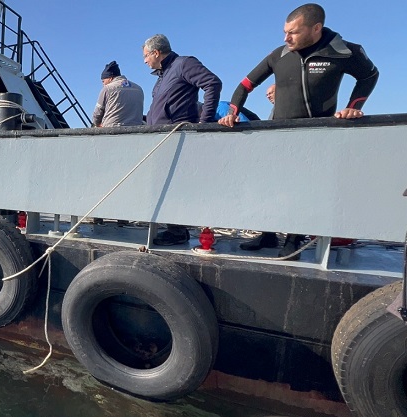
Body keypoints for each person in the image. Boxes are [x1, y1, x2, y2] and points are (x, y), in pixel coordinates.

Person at [218, 3, 378, 259]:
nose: (286, 38)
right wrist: (233, 112)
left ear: (316, 28)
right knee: (269, 185)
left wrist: (353, 107)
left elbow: (369, 75)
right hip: (280, 131)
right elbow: (245, 84)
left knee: (303, 188)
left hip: (317, 133)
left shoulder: (343, 51)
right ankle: (267, 234)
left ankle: (294, 238)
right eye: (284, 31)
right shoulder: (279, 55)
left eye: (293, 32)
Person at [143, 34, 223, 246]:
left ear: (156, 53)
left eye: (145, 56)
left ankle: (177, 231)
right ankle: (173, 228)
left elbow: (212, 83)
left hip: (176, 136)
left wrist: (204, 122)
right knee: (161, 183)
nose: (144, 61)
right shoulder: (164, 74)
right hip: (161, 137)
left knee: (171, 184)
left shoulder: (183, 64)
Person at [92, 61, 144, 127]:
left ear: (110, 78)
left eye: (103, 81)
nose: (103, 84)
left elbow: (97, 114)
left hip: (112, 130)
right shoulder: (138, 89)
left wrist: (97, 124)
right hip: (136, 130)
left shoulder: (107, 89)